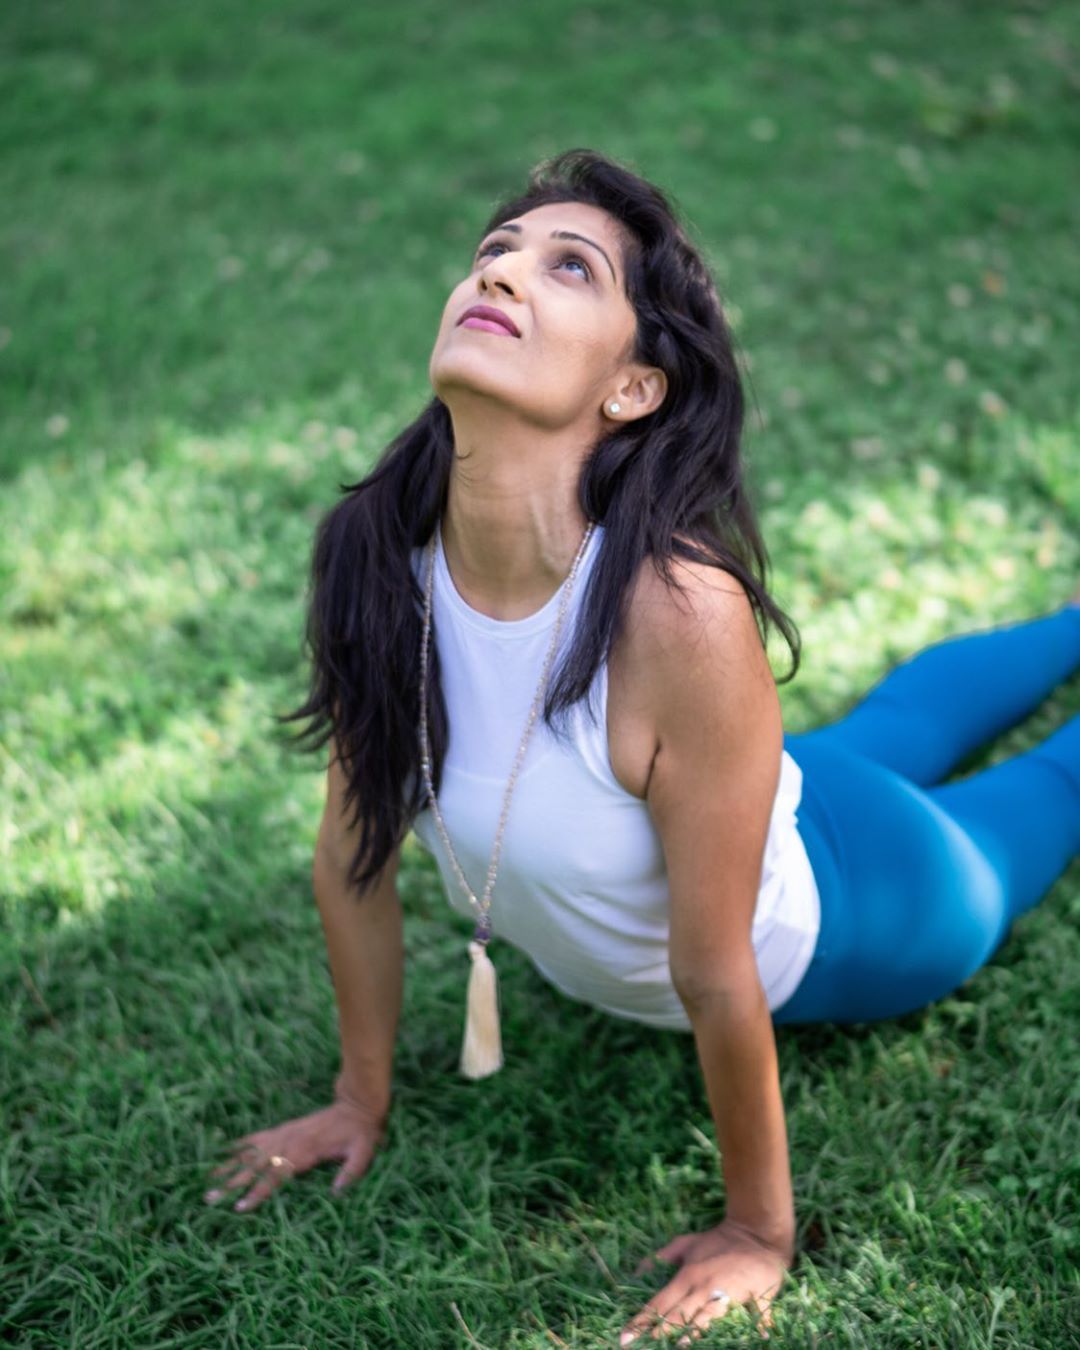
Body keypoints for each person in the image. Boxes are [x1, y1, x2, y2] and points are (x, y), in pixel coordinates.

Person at [202, 148, 1080, 1345]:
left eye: (569, 267)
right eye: (495, 253)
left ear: (633, 389)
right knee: (898, 726)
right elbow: (352, 857)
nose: (504, 272)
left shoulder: (675, 611)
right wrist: (360, 1099)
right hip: (768, 787)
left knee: (1046, 783)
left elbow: (717, 971)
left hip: (871, 899)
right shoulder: (373, 554)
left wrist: (759, 1233)